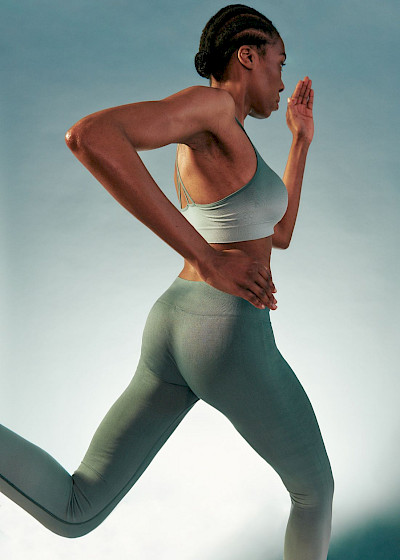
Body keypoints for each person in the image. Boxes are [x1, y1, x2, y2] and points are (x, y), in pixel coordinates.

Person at [0, 4, 334, 559]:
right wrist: (205, 257)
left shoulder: (228, 137)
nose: (282, 81)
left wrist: (300, 141)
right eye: (279, 63)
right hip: (225, 331)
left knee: (77, 508)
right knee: (315, 492)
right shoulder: (211, 106)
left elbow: (279, 234)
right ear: (247, 56)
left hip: (176, 325)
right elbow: (90, 136)